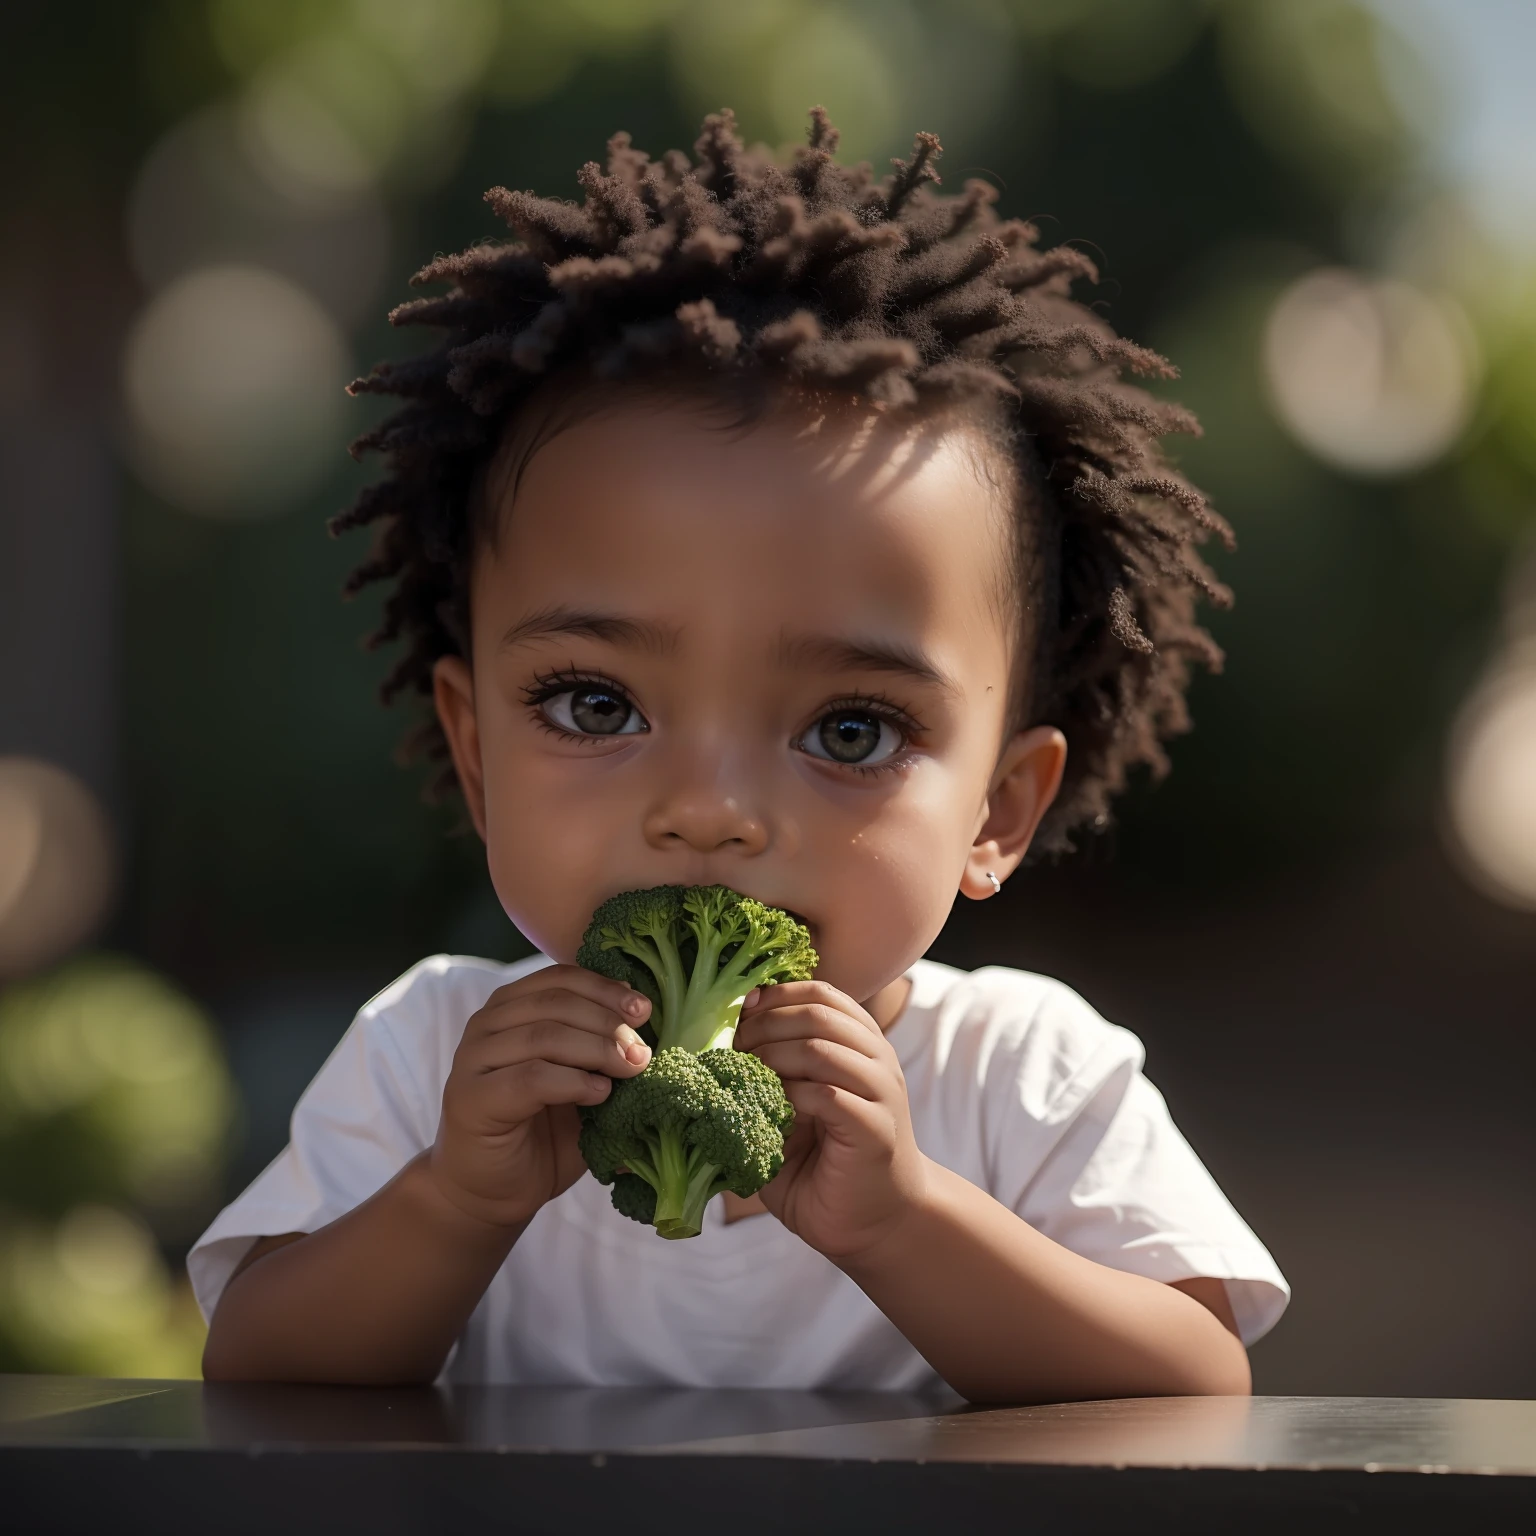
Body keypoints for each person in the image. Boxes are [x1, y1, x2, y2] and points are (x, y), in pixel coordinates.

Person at [191, 110, 1287, 1403]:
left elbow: (1192, 1386)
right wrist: (452, 1203)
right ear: (474, 753)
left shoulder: (1020, 1079)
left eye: (850, 730)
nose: (708, 812)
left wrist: (906, 1219)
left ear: (996, 811)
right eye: (596, 705)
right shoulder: (431, 1050)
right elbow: (255, 1372)